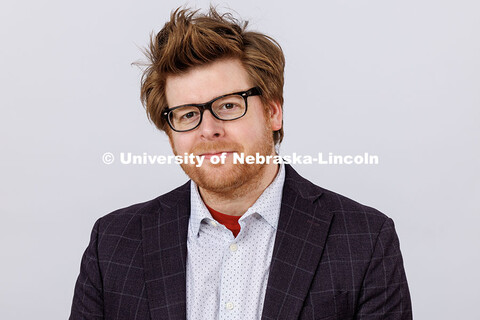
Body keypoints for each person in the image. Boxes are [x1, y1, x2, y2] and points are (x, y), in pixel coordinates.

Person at [70, 7, 412, 320]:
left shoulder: (365, 239)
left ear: (273, 111)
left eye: (229, 106)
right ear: (170, 132)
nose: (208, 130)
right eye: (188, 114)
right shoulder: (112, 243)